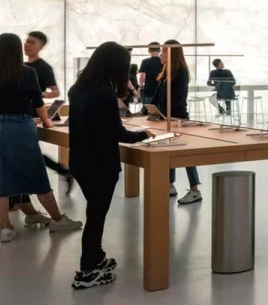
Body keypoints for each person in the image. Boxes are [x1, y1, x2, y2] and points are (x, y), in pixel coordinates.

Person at [0, 33, 81, 242]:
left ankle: (6, 228)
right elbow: (37, 102)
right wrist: (47, 121)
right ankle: (58, 219)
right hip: (21, 125)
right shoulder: (27, 72)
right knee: (36, 174)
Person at [68, 41, 153, 290]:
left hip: (80, 160)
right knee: (96, 216)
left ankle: (96, 257)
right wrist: (143, 135)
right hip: (100, 163)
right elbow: (116, 133)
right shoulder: (104, 93)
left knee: (94, 212)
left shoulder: (78, 88)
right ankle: (87, 271)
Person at [24, 30, 72, 191]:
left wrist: (40, 93)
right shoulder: (21, 66)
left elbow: (56, 91)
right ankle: (63, 171)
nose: (27, 45)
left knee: (29, 152)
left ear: (41, 47)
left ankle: (60, 172)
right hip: (20, 113)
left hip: (31, 115)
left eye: (32, 42)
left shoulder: (44, 68)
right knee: (29, 152)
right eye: (27, 41)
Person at [155, 40, 201, 204]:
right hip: (166, 118)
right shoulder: (166, 72)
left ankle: (195, 190)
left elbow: (178, 99)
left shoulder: (181, 72)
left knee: (186, 154)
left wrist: (164, 113)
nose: (161, 54)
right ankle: (170, 185)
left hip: (178, 118)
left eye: (164, 51)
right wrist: (147, 110)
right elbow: (158, 95)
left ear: (172, 53)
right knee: (169, 151)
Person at [138, 43, 163, 111]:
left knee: (147, 112)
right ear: (160, 50)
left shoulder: (145, 62)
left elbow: (142, 77)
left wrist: (140, 86)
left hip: (149, 90)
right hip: (161, 91)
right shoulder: (163, 62)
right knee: (158, 113)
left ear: (149, 50)